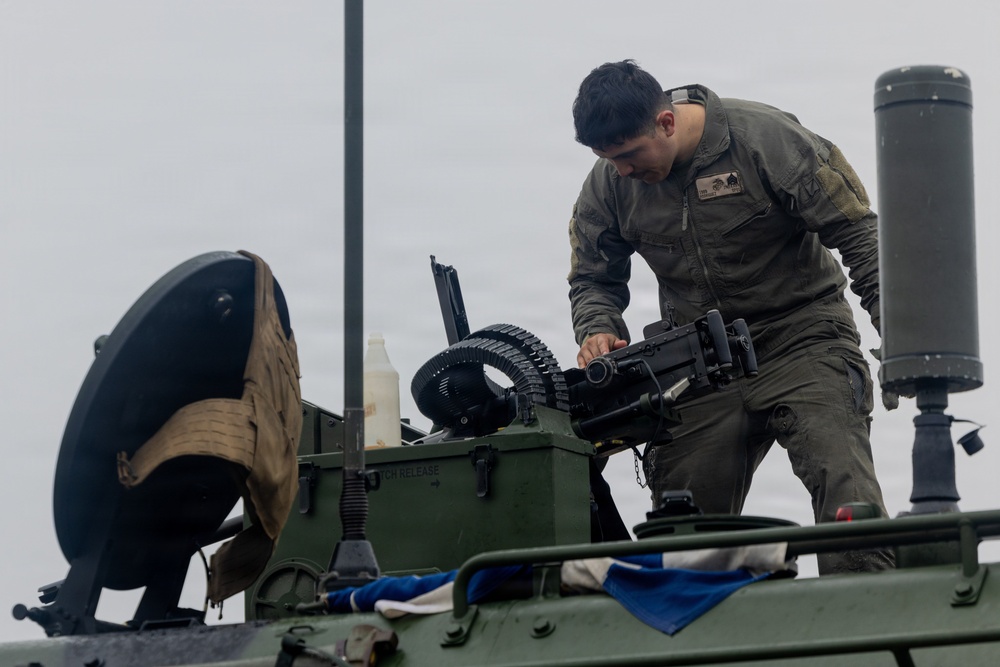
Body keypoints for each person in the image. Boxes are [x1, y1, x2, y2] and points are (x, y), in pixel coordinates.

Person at [567, 60, 893, 574]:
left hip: (803, 339)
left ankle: (865, 610)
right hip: (700, 364)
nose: (622, 170)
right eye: (608, 159)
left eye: (629, 155)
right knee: (681, 533)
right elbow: (591, 276)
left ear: (666, 123)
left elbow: (859, 236)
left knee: (845, 489)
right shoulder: (609, 184)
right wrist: (598, 328)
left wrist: (900, 333)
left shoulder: (766, 140)